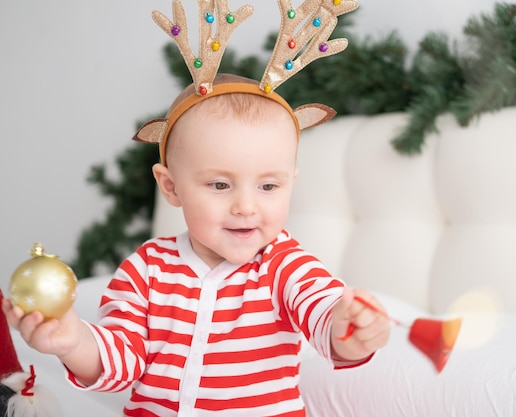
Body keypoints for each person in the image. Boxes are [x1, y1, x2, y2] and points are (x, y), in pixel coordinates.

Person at [3, 73, 391, 416]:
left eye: (268, 186)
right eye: (220, 185)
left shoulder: (285, 265)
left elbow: (323, 311)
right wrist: (73, 343)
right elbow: (120, 361)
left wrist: (350, 330)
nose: (245, 206)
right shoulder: (147, 268)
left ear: (291, 181)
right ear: (171, 186)